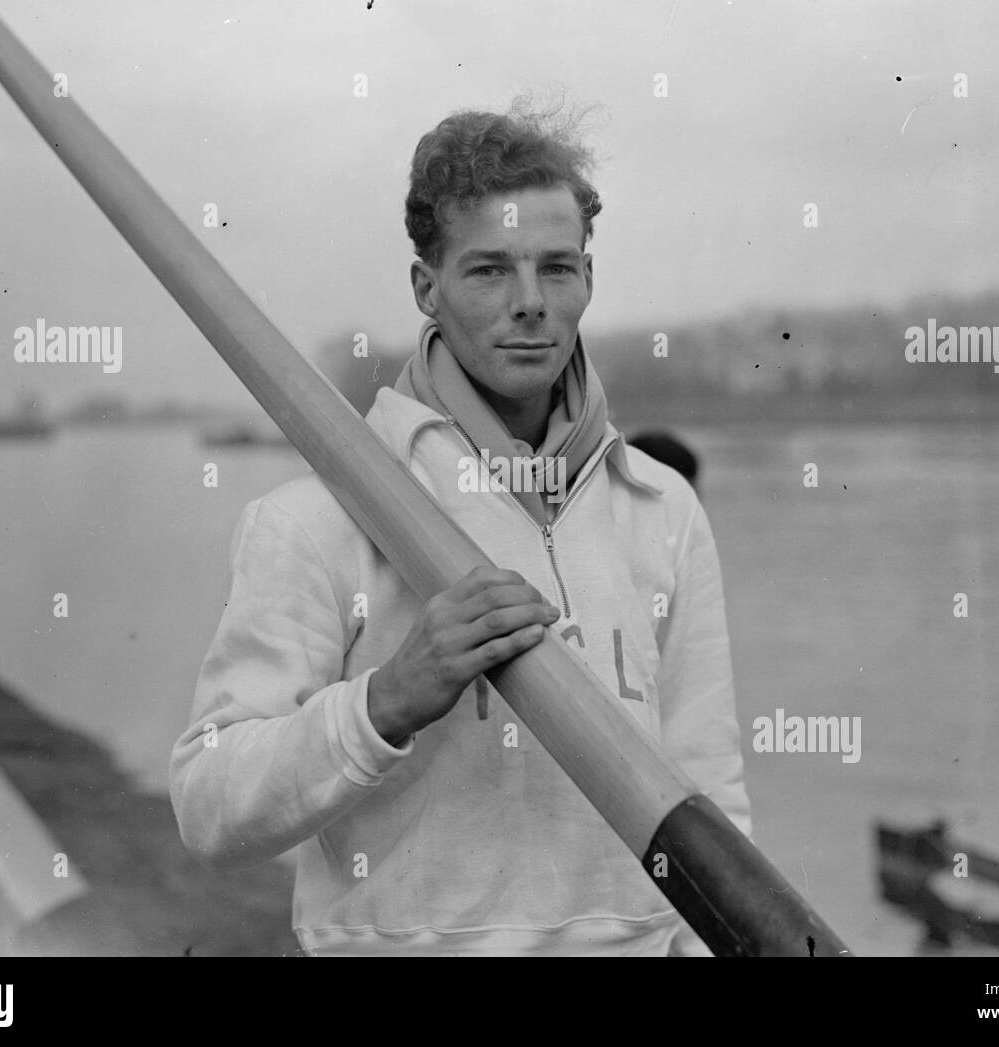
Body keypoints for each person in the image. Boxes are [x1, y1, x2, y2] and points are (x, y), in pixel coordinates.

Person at [170, 103, 751, 956]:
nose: (531, 305)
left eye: (558, 269)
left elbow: (710, 791)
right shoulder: (314, 521)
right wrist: (385, 701)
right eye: (488, 271)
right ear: (425, 286)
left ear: (589, 277)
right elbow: (210, 804)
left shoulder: (662, 507)